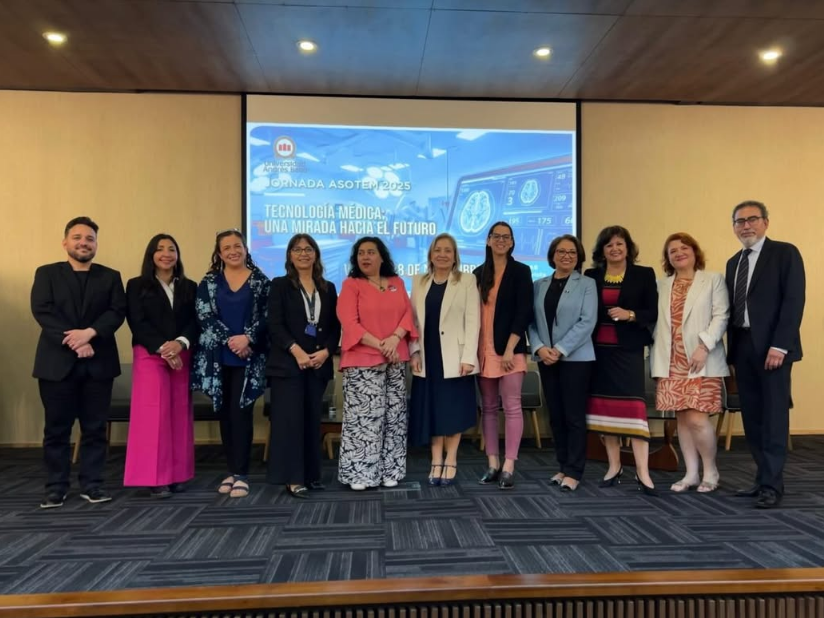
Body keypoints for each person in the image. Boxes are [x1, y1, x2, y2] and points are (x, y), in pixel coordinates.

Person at [31, 216, 126, 508]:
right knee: (56, 429)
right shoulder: (47, 273)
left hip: (99, 363)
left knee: (95, 429)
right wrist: (76, 340)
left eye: (90, 239)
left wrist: (90, 334)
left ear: (96, 244)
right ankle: (55, 487)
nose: (84, 243)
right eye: (77, 237)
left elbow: (117, 312)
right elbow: (42, 310)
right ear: (65, 243)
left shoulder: (110, 276)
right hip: (56, 364)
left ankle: (92, 485)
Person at [726, 200, 805, 509]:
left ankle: (772, 486)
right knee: (753, 418)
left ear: (765, 223)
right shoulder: (734, 262)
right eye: (739, 221)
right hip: (743, 348)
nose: (746, 225)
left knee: (773, 417)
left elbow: (793, 301)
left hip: (773, 348)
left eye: (752, 219)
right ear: (734, 227)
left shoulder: (784, 253)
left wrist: (780, 345)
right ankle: (762, 479)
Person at [192, 229, 269, 499]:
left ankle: (242, 474)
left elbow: (268, 316)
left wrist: (247, 338)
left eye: (238, 246)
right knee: (224, 414)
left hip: (248, 358)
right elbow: (204, 315)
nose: (233, 251)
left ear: (246, 249)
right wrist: (230, 340)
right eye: (227, 248)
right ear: (219, 253)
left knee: (241, 414)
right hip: (218, 359)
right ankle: (232, 470)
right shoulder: (210, 281)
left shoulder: (261, 281)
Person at [650, 233, 729, 494]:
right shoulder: (661, 285)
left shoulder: (713, 280)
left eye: (684, 248)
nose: (679, 253)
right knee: (682, 420)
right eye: (672, 251)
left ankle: (710, 471)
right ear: (668, 258)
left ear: (695, 252)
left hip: (700, 359)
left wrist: (704, 347)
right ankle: (691, 473)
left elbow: (721, 316)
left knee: (697, 419)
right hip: (670, 361)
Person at [336, 237, 417, 491]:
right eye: (361, 253)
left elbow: (408, 314)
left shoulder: (397, 283)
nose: (365, 257)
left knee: (394, 417)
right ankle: (360, 474)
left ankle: (390, 471)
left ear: (382, 257)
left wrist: (394, 339)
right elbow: (349, 323)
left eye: (371, 252)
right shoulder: (351, 285)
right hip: (362, 360)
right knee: (364, 419)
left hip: (395, 359)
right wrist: (382, 345)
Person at [585, 225, 658, 495]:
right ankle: (613, 467)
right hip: (598, 353)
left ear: (628, 248)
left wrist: (631, 315)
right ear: (602, 251)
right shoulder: (591, 275)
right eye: (609, 245)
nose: (614, 249)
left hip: (628, 353)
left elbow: (652, 311)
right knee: (607, 412)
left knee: (634, 412)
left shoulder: (644, 274)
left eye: (619, 244)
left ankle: (643, 472)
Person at [124, 233, 198, 498]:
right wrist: (164, 348)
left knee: (179, 413)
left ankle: (177, 475)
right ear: (151, 255)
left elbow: (195, 321)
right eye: (160, 249)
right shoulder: (136, 285)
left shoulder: (190, 286)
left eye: (171, 249)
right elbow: (137, 321)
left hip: (182, 354)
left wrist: (180, 343)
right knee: (152, 416)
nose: (166, 254)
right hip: (150, 354)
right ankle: (155, 478)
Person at [266, 234, 340, 498]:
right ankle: (293, 478)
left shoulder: (328, 287)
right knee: (290, 423)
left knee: (311, 421)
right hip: (288, 366)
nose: (303, 254)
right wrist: (296, 351)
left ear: (316, 254)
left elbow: (335, 326)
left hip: (317, 365)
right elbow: (274, 324)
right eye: (297, 249)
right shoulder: (280, 285)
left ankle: (311, 475)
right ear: (289, 255)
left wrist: (327, 352)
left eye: (308, 249)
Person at [409, 233, 480, 486]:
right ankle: (435, 460)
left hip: (455, 358)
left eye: (447, 250)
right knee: (432, 410)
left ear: (455, 256)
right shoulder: (419, 281)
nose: (442, 254)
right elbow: (412, 321)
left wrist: (469, 357)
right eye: (437, 250)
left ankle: (451, 458)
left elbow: (473, 321)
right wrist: (414, 351)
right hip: (427, 357)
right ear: (430, 254)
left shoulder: (467, 281)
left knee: (453, 410)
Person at [528, 235, 596, 492]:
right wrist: (539, 348)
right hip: (546, 358)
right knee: (555, 416)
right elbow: (530, 321)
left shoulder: (587, 284)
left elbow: (587, 321)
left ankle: (575, 471)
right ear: (552, 255)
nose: (566, 256)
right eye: (561, 251)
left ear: (578, 257)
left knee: (574, 417)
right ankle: (563, 465)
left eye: (572, 252)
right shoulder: (539, 285)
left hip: (576, 359)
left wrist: (559, 349)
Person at [473, 222, 534, 490]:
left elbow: (524, 312)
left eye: (506, 237)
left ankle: (509, 465)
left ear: (511, 242)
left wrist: (510, 348)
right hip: (483, 350)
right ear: (488, 240)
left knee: (512, 407)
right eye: (496, 236)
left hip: (511, 351)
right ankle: (493, 463)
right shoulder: (477, 273)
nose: (501, 240)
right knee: (487, 408)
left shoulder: (521, 271)